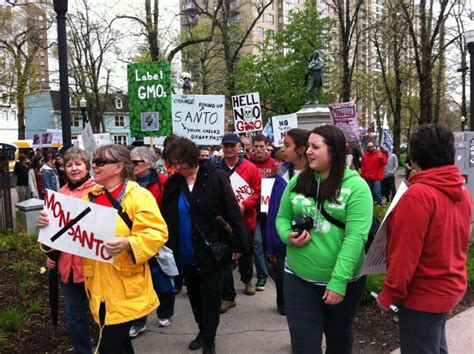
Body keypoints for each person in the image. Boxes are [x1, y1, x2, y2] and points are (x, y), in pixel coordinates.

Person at [276, 125, 373, 353]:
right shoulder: (297, 182)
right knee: (304, 345)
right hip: (298, 278)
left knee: (339, 341)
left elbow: (355, 237)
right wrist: (287, 236)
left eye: (315, 147)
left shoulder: (357, 187)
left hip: (343, 283)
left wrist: (339, 280)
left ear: (334, 151)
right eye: (308, 145)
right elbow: (282, 217)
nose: (308, 151)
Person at [376, 124, 472, 354]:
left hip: (423, 294)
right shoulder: (461, 190)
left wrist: (389, 293)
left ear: (415, 156)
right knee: (435, 346)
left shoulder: (418, 196)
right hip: (449, 286)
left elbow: (405, 255)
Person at [69, 144, 168, 353]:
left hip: (125, 288)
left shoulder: (138, 196)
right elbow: (74, 236)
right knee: (120, 345)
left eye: (100, 162)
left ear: (118, 167)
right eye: (94, 161)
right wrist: (50, 224)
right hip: (98, 287)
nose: (94, 165)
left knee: (108, 347)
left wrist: (128, 243)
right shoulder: (91, 197)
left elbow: (157, 233)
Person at [160, 137, 245, 354]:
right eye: (174, 163)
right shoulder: (173, 183)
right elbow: (164, 216)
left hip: (211, 249)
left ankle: (209, 340)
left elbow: (232, 210)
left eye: (182, 163)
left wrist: (238, 244)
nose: (178, 167)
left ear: (192, 157)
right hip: (185, 250)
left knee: (210, 297)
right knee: (195, 297)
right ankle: (201, 329)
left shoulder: (215, 176)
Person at [39, 147, 96, 354]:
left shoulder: (98, 190)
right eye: (69, 164)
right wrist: (48, 252)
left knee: (104, 314)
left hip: (94, 267)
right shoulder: (58, 195)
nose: (73, 168)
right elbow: (51, 234)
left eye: (78, 164)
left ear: (87, 166)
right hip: (67, 267)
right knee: (75, 317)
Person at [128, 147, 175, 338]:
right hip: (133, 239)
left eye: (135, 162)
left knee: (160, 279)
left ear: (148, 163)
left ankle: (165, 312)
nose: (132, 166)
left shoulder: (163, 182)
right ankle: (139, 321)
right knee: (136, 283)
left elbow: (170, 211)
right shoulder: (126, 183)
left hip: (156, 238)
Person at [266, 128, 310, 315]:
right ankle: (284, 306)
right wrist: (270, 244)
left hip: (309, 246)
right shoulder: (280, 176)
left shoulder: (318, 177)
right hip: (283, 244)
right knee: (285, 287)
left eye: (287, 145)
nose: (281, 149)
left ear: (300, 149)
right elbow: (273, 212)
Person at [218, 133, 261, 311]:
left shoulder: (250, 168)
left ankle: (247, 279)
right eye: (226, 146)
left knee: (246, 251)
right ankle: (228, 296)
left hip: (245, 219)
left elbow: (257, 192)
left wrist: (245, 205)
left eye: (232, 146)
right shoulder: (216, 168)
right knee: (225, 256)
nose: (229, 149)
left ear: (238, 147)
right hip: (222, 221)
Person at [247, 134, 279, 291]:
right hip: (254, 209)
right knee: (257, 242)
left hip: (270, 209)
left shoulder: (274, 163)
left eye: (262, 146)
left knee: (269, 242)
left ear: (267, 146)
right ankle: (262, 275)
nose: (259, 150)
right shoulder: (247, 163)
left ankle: (267, 267)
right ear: (253, 146)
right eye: (256, 146)